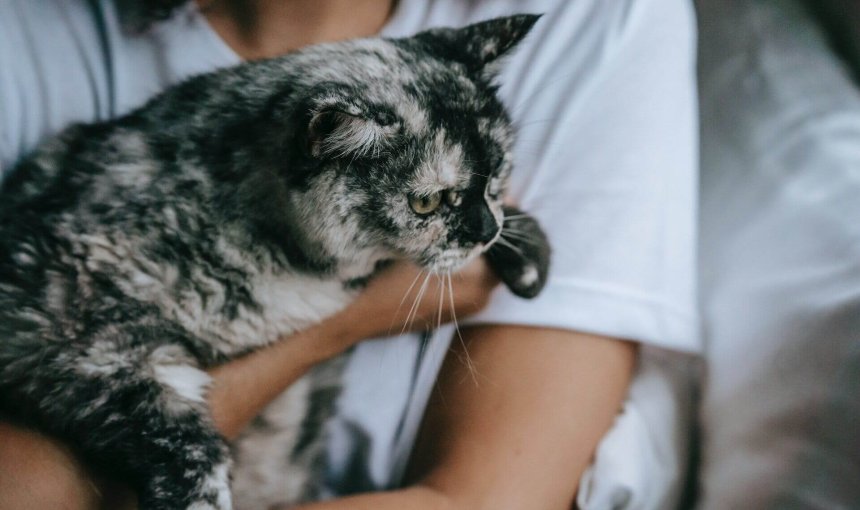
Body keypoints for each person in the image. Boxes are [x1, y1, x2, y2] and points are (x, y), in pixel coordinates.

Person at [0, 1, 699, 509]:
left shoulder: (597, 20)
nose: (487, 233)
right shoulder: (32, 41)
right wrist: (354, 317)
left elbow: (485, 499)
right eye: (431, 203)